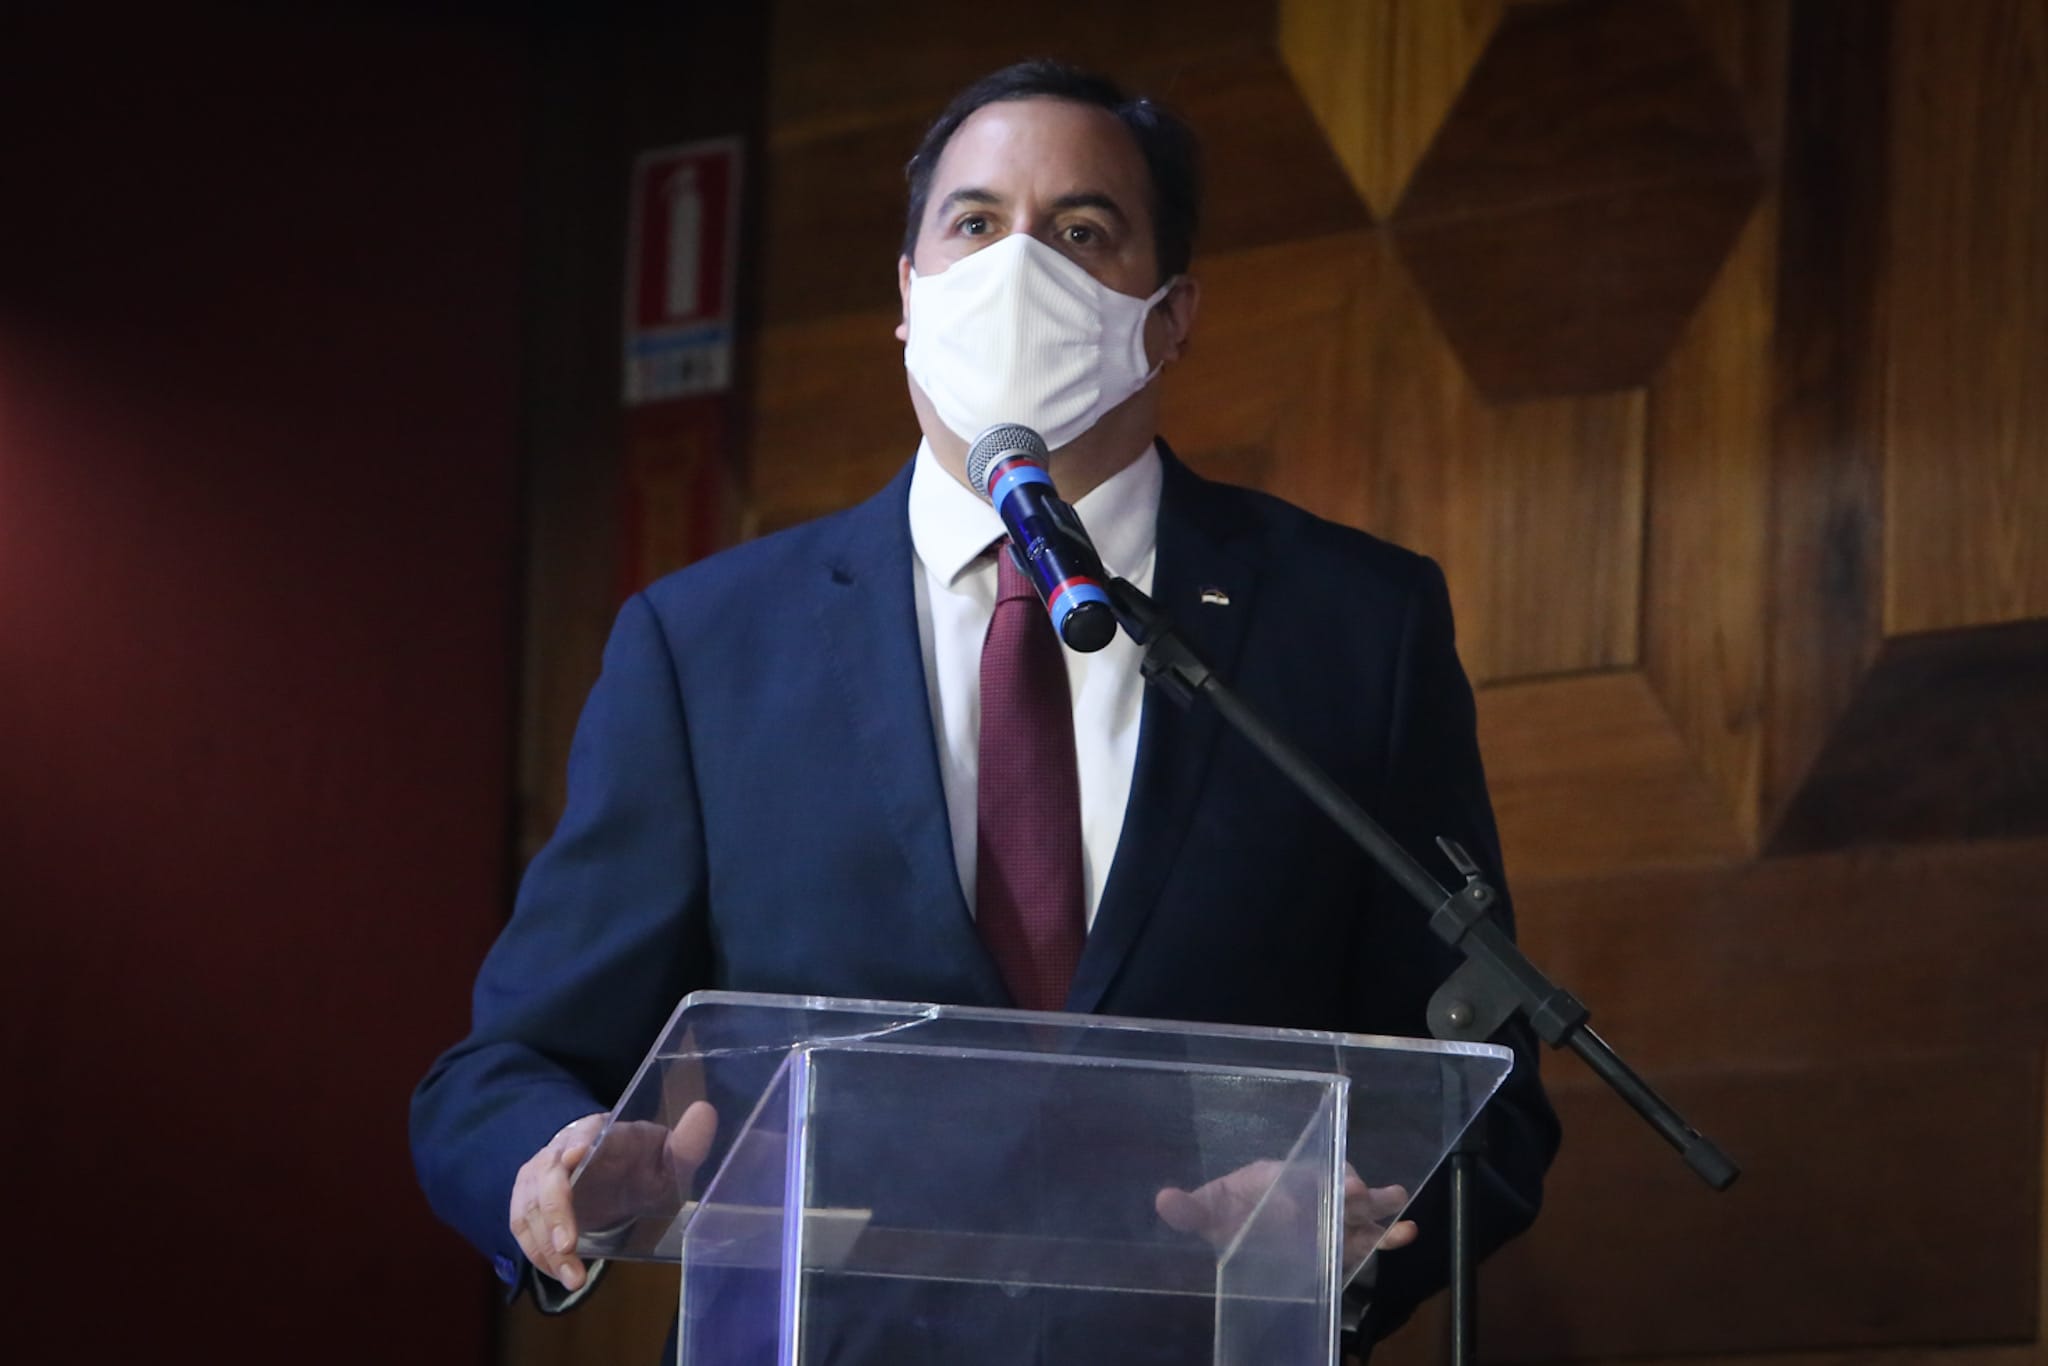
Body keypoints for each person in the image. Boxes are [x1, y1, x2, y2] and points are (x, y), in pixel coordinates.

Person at [412, 59, 1559, 1359]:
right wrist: (551, 1162)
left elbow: (1487, 1083)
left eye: (1083, 231)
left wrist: (1348, 1222)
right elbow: (501, 1071)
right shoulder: (707, 646)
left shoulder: (1353, 625)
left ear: (1171, 314)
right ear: (908, 295)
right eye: (974, 223)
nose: (1020, 269)